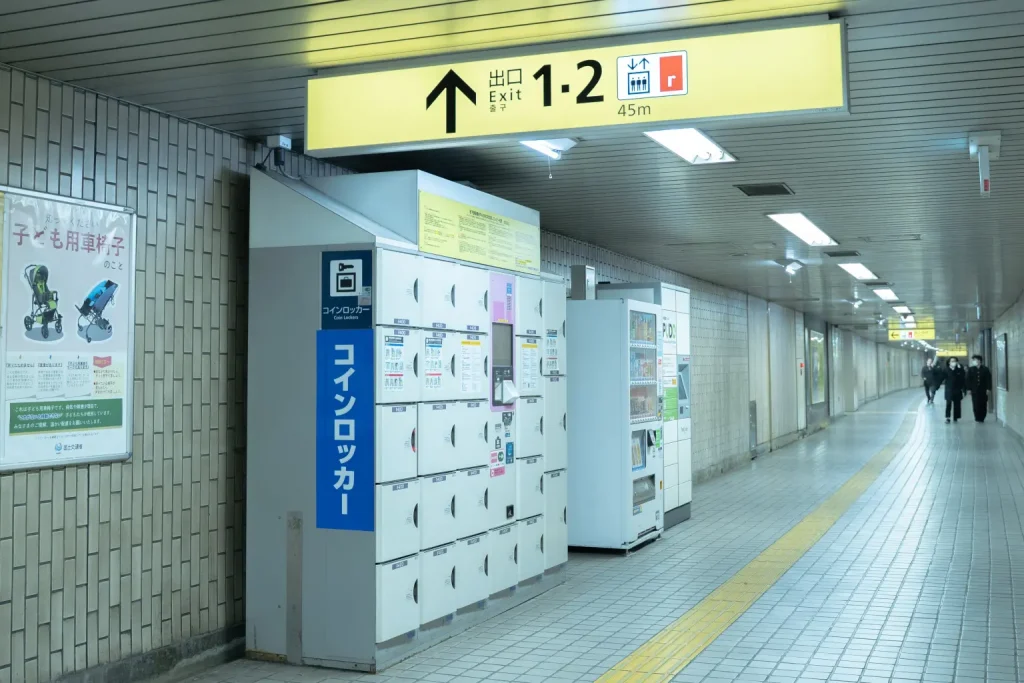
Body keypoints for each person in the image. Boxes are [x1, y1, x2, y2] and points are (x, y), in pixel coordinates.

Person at [967, 354, 993, 423]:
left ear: (979, 361)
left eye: (975, 360)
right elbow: (968, 380)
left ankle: (982, 417)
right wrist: (969, 389)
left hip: (983, 390)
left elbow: (988, 380)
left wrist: (988, 388)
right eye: (973, 360)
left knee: (983, 404)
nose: (974, 361)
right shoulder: (971, 369)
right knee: (975, 404)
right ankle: (977, 417)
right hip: (974, 390)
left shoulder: (985, 369)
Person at [943, 356, 967, 423]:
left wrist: (964, 390)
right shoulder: (946, 370)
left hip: (957, 390)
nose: (953, 362)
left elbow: (963, 380)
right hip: (949, 390)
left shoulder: (960, 370)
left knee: (957, 404)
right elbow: (941, 377)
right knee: (948, 404)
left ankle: (956, 417)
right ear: (949, 362)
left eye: (955, 361)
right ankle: (947, 417)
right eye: (952, 361)